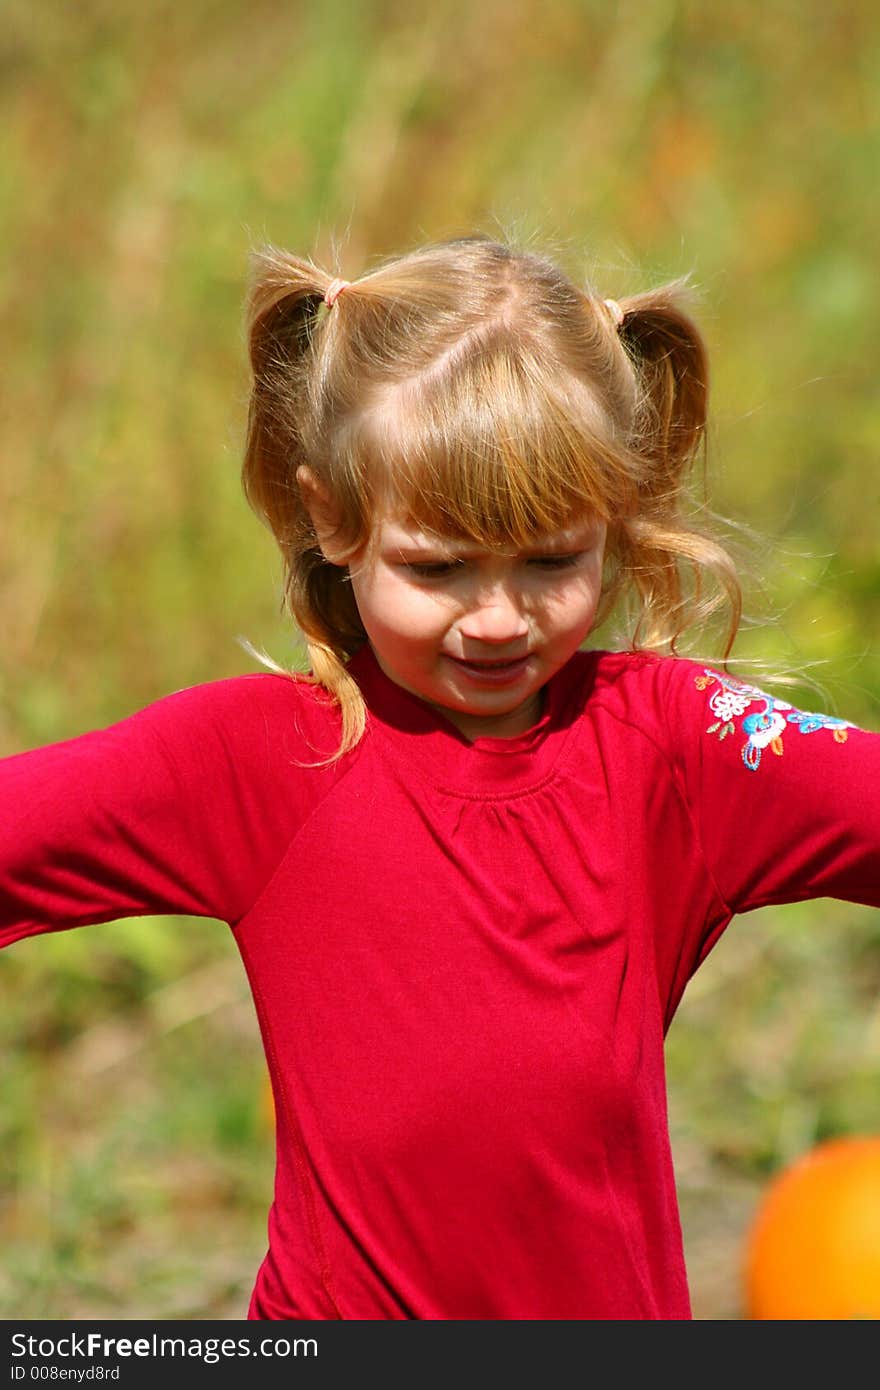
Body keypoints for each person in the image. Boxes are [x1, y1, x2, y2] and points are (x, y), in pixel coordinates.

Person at [2, 234, 878, 1321]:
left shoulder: (673, 745)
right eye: (438, 566)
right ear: (334, 519)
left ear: (613, 520)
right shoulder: (254, 759)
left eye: (553, 559)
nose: (500, 618)